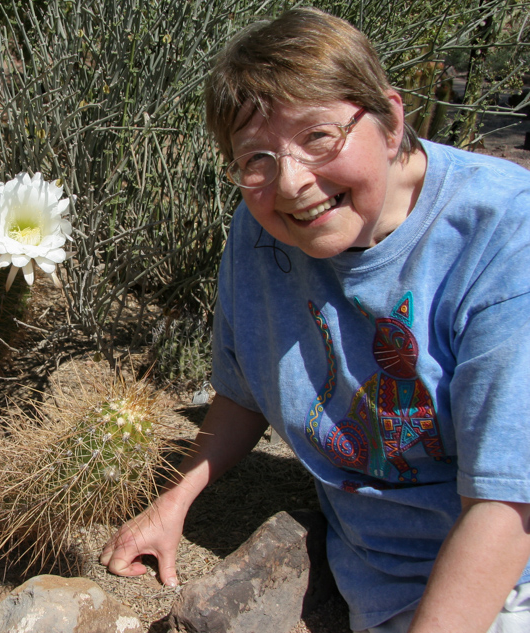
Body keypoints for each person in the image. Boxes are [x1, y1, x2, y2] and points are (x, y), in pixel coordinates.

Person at [100, 7, 530, 633]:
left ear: (390, 119)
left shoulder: (502, 238)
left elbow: (506, 499)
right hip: (375, 575)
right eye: (256, 158)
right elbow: (245, 390)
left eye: (319, 137)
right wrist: (174, 501)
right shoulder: (262, 226)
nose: (293, 183)